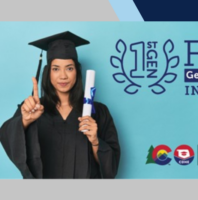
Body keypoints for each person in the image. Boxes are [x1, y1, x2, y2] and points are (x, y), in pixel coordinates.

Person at [0, 31, 121, 179]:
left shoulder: (99, 112)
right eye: (56, 68)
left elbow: (111, 168)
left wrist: (95, 141)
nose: (63, 76)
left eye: (69, 68)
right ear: (48, 72)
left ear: (77, 71)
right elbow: (6, 136)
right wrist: (25, 121)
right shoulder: (32, 109)